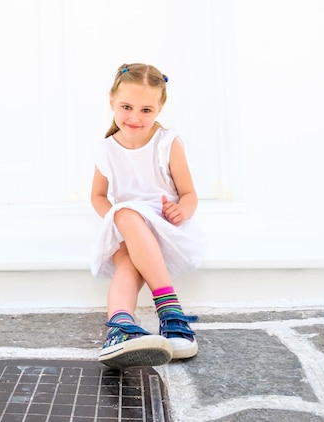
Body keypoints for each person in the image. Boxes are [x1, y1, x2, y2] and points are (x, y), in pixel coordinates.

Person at [91, 63, 205, 369]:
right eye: (126, 107)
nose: (135, 117)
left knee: (128, 216)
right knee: (126, 258)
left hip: (164, 225)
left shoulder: (167, 143)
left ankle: (169, 312)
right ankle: (120, 328)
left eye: (146, 110)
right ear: (111, 101)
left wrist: (182, 210)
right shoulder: (106, 150)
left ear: (160, 108)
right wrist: (115, 220)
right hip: (127, 226)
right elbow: (98, 197)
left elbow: (189, 194)